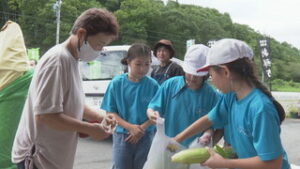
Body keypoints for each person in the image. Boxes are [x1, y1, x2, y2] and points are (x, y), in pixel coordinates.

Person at [11, 8, 119, 169]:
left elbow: (71, 103)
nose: (100, 50)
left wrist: (100, 116)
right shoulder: (57, 60)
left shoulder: (73, 59)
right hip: (37, 159)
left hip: (53, 158)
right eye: (99, 44)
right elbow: (46, 115)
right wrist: (90, 129)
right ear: (82, 34)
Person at [174, 38, 290, 169]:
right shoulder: (230, 97)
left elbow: (273, 163)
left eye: (211, 75)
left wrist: (225, 163)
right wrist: (178, 138)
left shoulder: (260, 109)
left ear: (225, 72)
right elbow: (208, 119)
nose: (211, 80)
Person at [147, 44, 220, 147]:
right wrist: (151, 114)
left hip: (193, 151)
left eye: (197, 75)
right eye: (189, 72)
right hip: (167, 145)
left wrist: (208, 136)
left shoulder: (212, 96)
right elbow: (152, 107)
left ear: (206, 74)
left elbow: (215, 126)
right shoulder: (170, 85)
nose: (192, 78)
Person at [100, 43, 159, 169]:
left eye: (147, 64)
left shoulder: (153, 85)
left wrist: (141, 128)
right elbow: (110, 112)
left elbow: (158, 111)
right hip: (122, 136)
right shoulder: (117, 83)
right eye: (138, 64)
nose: (143, 69)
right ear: (128, 62)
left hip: (146, 136)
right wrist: (130, 127)